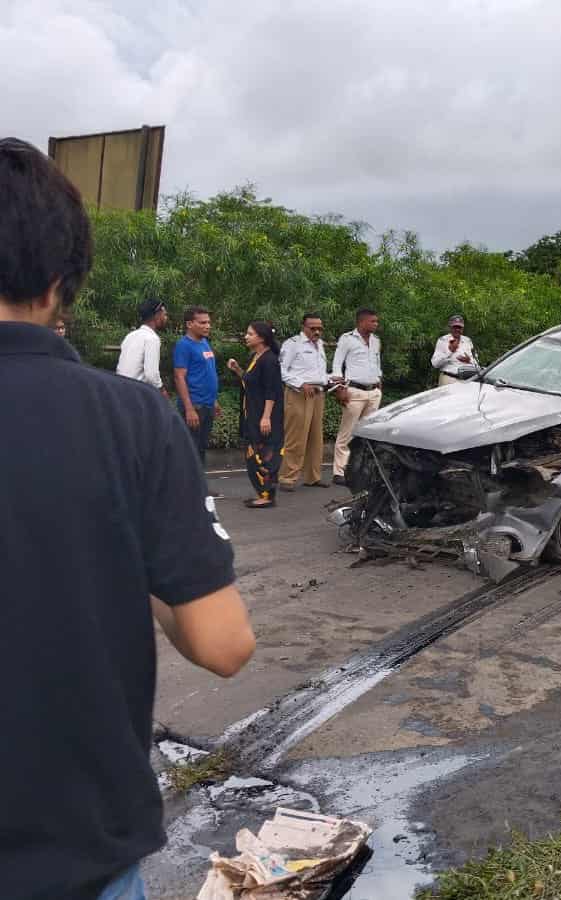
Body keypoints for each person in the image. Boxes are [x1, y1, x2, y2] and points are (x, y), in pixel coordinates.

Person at [0, 137, 255, 900]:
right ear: (59, 280)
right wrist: (132, 559)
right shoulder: (133, 423)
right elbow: (224, 644)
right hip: (78, 855)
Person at [228, 321, 284, 509]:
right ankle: (263, 493)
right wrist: (237, 369)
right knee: (255, 456)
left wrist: (266, 416)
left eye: (250, 334)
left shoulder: (269, 360)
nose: (246, 336)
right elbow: (251, 383)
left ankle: (267, 496)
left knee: (264, 456)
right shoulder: (257, 357)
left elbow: (271, 391)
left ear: (261, 338)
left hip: (264, 418)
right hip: (253, 416)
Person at [331, 307, 383, 486]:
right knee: (348, 432)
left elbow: (377, 363)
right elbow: (337, 364)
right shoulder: (347, 339)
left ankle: (361, 470)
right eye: (372, 321)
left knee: (366, 434)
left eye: (376, 321)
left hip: (373, 391)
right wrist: (339, 387)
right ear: (361, 322)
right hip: (354, 390)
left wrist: (379, 383)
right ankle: (340, 472)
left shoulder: (376, 341)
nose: (376, 324)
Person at [279, 313, 330, 490]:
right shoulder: (292, 344)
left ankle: (313, 477)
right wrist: (301, 384)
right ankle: (287, 478)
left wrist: (331, 379)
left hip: (317, 393)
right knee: (296, 438)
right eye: (312, 328)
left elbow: (318, 372)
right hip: (299, 394)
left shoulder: (320, 345)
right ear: (303, 327)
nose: (317, 331)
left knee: (316, 438)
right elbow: (282, 371)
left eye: (319, 328)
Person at [173, 306, 222, 464]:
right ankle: (186, 488)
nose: (208, 326)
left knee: (200, 448)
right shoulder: (183, 345)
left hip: (207, 405)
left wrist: (214, 400)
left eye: (208, 322)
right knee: (190, 450)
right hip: (195, 405)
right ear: (189, 324)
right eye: (202, 323)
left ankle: (199, 487)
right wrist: (189, 409)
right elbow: (179, 377)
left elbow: (208, 372)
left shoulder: (204, 342)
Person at [117, 297, 170, 397]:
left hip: (120, 390)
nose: (166, 318)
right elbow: (151, 375)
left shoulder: (130, 336)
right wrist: (162, 390)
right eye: (165, 314)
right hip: (136, 395)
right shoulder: (152, 338)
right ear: (158, 315)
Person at [431, 314, 478, 386]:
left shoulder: (468, 341)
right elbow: (435, 364)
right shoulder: (443, 341)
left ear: (462, 328)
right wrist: (450, 351)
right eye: (455, 327)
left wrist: (469, 360)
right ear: (450, 327)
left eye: (459, 327)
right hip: (448, 378)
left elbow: (477, 363)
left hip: (466, 380)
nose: (457, 329)